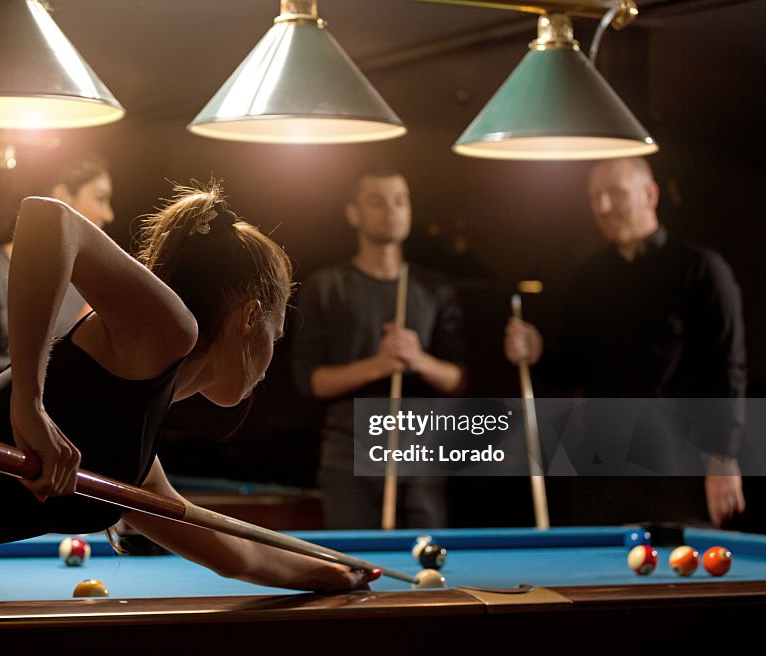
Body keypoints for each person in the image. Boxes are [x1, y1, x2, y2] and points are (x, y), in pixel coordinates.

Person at [0, 183, 376, 652]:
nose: (275, 354)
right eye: (280, 326)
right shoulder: (168, 333)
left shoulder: (137, 442)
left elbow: (231, 551)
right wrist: (28, 404)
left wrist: (332, 574)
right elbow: (46, 217)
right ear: (249, 317)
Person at [504, 157, 747, 528]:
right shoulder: (588, 276)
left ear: (650, 195)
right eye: (594, 197)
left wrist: (723, 457)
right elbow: (572, 369)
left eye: (615, 194)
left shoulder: (701, 268)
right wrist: (536, 351)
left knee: (678, 579)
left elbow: (728, 368)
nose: (603, 207)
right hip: (604, 466)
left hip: (679, 467)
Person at [291, 169, 467, 529]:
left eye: (400, 200)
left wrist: (417, 360)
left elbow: (458, 379)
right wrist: (378, 364)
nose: (392, 210)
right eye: (377, 201)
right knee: (357, 574)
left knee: (428, 575)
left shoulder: (435, 288)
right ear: (353, 213)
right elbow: (309, 380)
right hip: (348, 456)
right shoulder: (326, 287)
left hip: (423, 455)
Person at [0, 155, 115, 385]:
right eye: (100, 199)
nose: (109, 214)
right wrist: (69, 361)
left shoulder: (93, 277)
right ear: (63, 197)